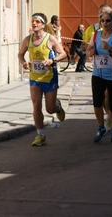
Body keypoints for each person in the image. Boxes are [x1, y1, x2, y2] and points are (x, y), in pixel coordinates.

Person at [18, 13, 67, 146]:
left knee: (49, 109)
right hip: (34, 77)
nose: (34, 24)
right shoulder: (27, 40)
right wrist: (24, 63)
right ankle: (41, 135)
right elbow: (20, 54)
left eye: (37, 22)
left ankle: (58, 107)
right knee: (36, 106)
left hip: (49, 77)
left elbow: (63, 53)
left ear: (43, 25)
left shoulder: (50, 39)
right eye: (33, 21)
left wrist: (52, 60)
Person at [82, 3, 112, 130]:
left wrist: (110, 49)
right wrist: (90, 52)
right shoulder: (94, 34)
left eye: (108, 20)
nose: (105, 23)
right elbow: (87, 48)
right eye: (102, 20)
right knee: (98, 101)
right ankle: (101, 127)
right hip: (98, 74)